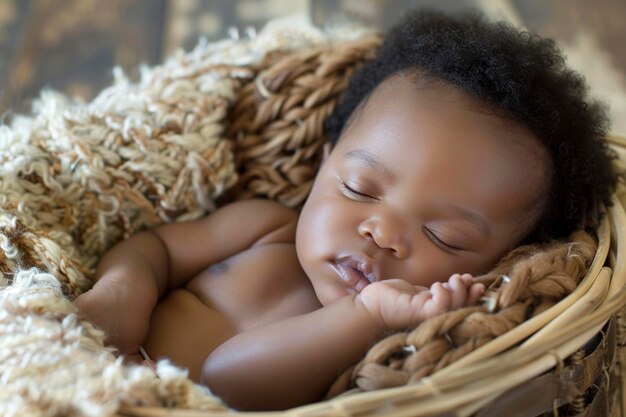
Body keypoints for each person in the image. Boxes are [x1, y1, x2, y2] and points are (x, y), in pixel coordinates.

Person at [74, 9, 617, 411]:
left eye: (443, 235)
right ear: (324, 162)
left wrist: (368, 319)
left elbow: (223, 380)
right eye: (359, 187)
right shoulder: (262, 227)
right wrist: (124, 292)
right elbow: (156, 247)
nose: (382, 232)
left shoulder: (395, 349)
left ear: (502, 261)